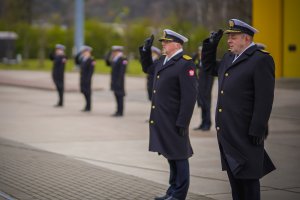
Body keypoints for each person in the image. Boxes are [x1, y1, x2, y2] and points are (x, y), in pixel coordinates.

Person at [201, 19, 276, 200]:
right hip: (228, 131)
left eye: (233, 37)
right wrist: (210, 46)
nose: (229, 40)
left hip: (246, 132)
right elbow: (209, 68)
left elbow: (264, 98)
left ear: (246, 38)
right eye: (228, 37)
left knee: (248, 181)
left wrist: (258, 128)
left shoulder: (260, 59)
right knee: (235, 181)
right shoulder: (229, 58)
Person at [139, 29, 198, 200]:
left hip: (175, 120)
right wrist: (145, 51)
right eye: (162, 42)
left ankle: (179, 195)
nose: (163, 44)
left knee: (179, 157)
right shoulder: (164, 60)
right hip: (163, 118)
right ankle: (172, 191)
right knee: (170, 156)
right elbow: (148, 69)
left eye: (166, 42)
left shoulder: (185, 63)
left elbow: (189, 96)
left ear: (177, 44)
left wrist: (183, 122)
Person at [192, 46, 214, 131]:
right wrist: (195, 56)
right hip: (200, 89)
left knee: (207, 107)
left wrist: (208, 91)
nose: (200, 53)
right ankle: (202, 123)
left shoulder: (208, 63)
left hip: (206, 90)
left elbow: (210, 79)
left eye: (202, 51)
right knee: (202, 106)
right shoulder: (200, 62)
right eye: (199, 51)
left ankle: (207, 124)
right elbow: (192, 64)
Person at [105, 46, 127, 117]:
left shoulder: (122, 59)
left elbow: (122, 72)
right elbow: (107, 63)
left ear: (118, 51)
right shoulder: (115, 59)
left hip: (119, 82)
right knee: (116, 96)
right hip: (114, 81)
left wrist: (119, 82)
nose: (113, 53)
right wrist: (108, 54)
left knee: (120, 96)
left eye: (114, 52)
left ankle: (120, 112)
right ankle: (117, 111)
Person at [75, 45, 95, 112]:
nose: (84, 53)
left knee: (88, 93)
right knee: (84, 92)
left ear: (89, 52)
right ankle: (86, 106)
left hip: (87, 80)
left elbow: (91, 72)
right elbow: (76, 61)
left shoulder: (91, 60)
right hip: (82, 79)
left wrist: (88, 80)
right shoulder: (83, 59)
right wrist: (80, 53)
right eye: (83, 52)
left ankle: (88, 107)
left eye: (85, 52)